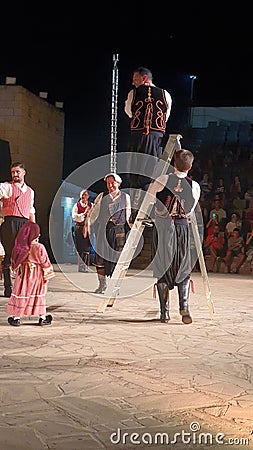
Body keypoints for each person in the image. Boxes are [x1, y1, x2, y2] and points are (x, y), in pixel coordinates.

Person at [152, 149, 201, 324]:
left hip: (164, 229)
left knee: (162, 267)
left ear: (174, 163)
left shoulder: (162, 180)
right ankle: (184, 306)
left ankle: (164, 313)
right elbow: (190, 209)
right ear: (191, 166)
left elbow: (150, 199)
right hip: (181, 228)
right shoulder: (195, 186)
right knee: (182, 266)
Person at [124, 66, 172, 193]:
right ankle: (146, 190)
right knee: (151, 167)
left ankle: (137, 193)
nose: (133, 82)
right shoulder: (165, 94)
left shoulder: (133, 93)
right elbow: (166, 116)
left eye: (135, 79)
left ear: (144, 78)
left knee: (135, 166)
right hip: (155, 136)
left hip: (138, 136)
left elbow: (129, 112)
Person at [6, 222, 55, 327]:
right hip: (36, 275)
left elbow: (15, 263)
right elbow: (45, 262)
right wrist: (47, 275)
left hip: (23, 275)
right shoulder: (39, 247)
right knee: (38, 294)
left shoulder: (20, 248)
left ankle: (16, 317)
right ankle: (42, 317)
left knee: (22, 293)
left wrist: (14, 274)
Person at [89, 173, 131, 294]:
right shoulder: (102, 196)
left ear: (118, 183)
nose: (110, 185)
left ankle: (114, 287)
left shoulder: (125, 197)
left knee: (117, 259)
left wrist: (134, 228)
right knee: (100, 259)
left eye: (113, 183)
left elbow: (128, 214)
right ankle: (102, 286)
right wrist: (88, 225)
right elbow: (94, 213)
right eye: (108, 183)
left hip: (118, 232)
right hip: (103, 230)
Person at [0, 162, 36, 297]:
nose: (15, 174)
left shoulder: (30, 191)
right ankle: (8, 288)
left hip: (25, 224)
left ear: (24, 173)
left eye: (17, 172)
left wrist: (34, 230)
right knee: (9, 255)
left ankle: (21, 287)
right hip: (10, 223)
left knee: (24, 256)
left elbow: (31, 211)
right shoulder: (6, 187)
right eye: (13, 172)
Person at [72, 189, 93, 272]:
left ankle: (86, 265)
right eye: (83, 195)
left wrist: (89, 219)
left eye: (86, 195)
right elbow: (74, 216)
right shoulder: (77, 205)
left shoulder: (91, 205)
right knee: (80, 247)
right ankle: (81, 266)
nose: (84, 196)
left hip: (88, 227)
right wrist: (84, 214)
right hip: (79, 227)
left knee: (87, 247)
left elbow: (95, 215)